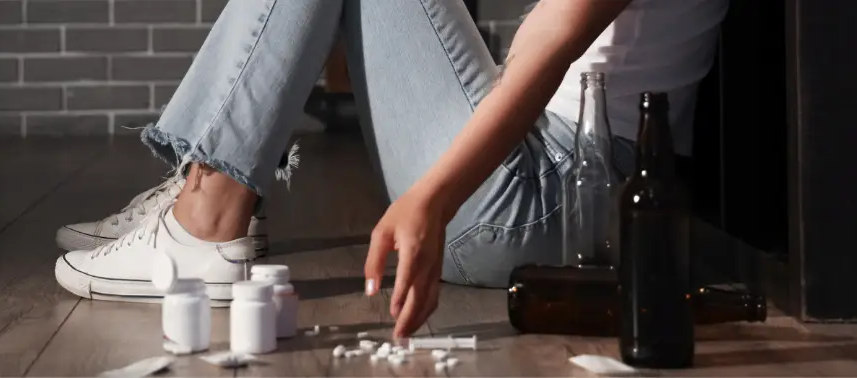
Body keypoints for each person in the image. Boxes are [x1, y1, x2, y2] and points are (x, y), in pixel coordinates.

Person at [53, 0, 728, 338]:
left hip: (561, 201)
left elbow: (549, 49)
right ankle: (210, 187)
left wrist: (432, 199)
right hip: (556, 182)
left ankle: (204, 220)